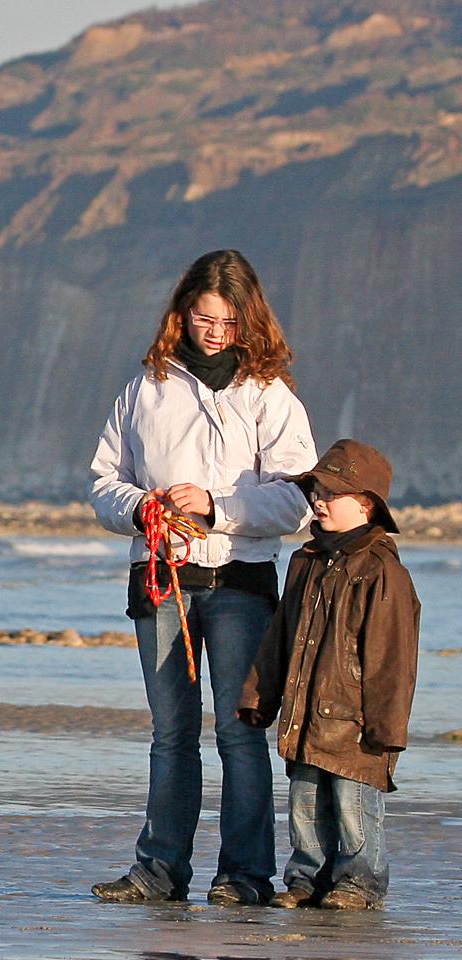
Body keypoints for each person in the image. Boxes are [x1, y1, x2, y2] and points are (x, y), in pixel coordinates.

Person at [87, 249, 317, 906]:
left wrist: (215, 508)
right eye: (203, 317)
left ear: (249, 321)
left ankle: (244, 876)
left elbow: (299, 498)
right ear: (183, 313)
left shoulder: (271, 395)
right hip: (161, 581)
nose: (214, 332)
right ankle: (159, 871)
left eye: (227, 321)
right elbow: (103, 481)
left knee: (239, 733)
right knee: (171, 733)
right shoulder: (145, 388)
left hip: (241, 583)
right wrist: (142, 507)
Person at [238, 439, 419, 910]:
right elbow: (279, 636)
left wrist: (386, 728)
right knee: (304, 802)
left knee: (354, 808)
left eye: (330, 494)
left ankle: (359, 882)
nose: (318, 500)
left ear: (366, 505)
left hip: (356, 719)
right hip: (304, 708)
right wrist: (259, 695)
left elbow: (391, 659)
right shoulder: (305, 561)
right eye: (316, 491)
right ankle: (306, 878)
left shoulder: (382, 571)